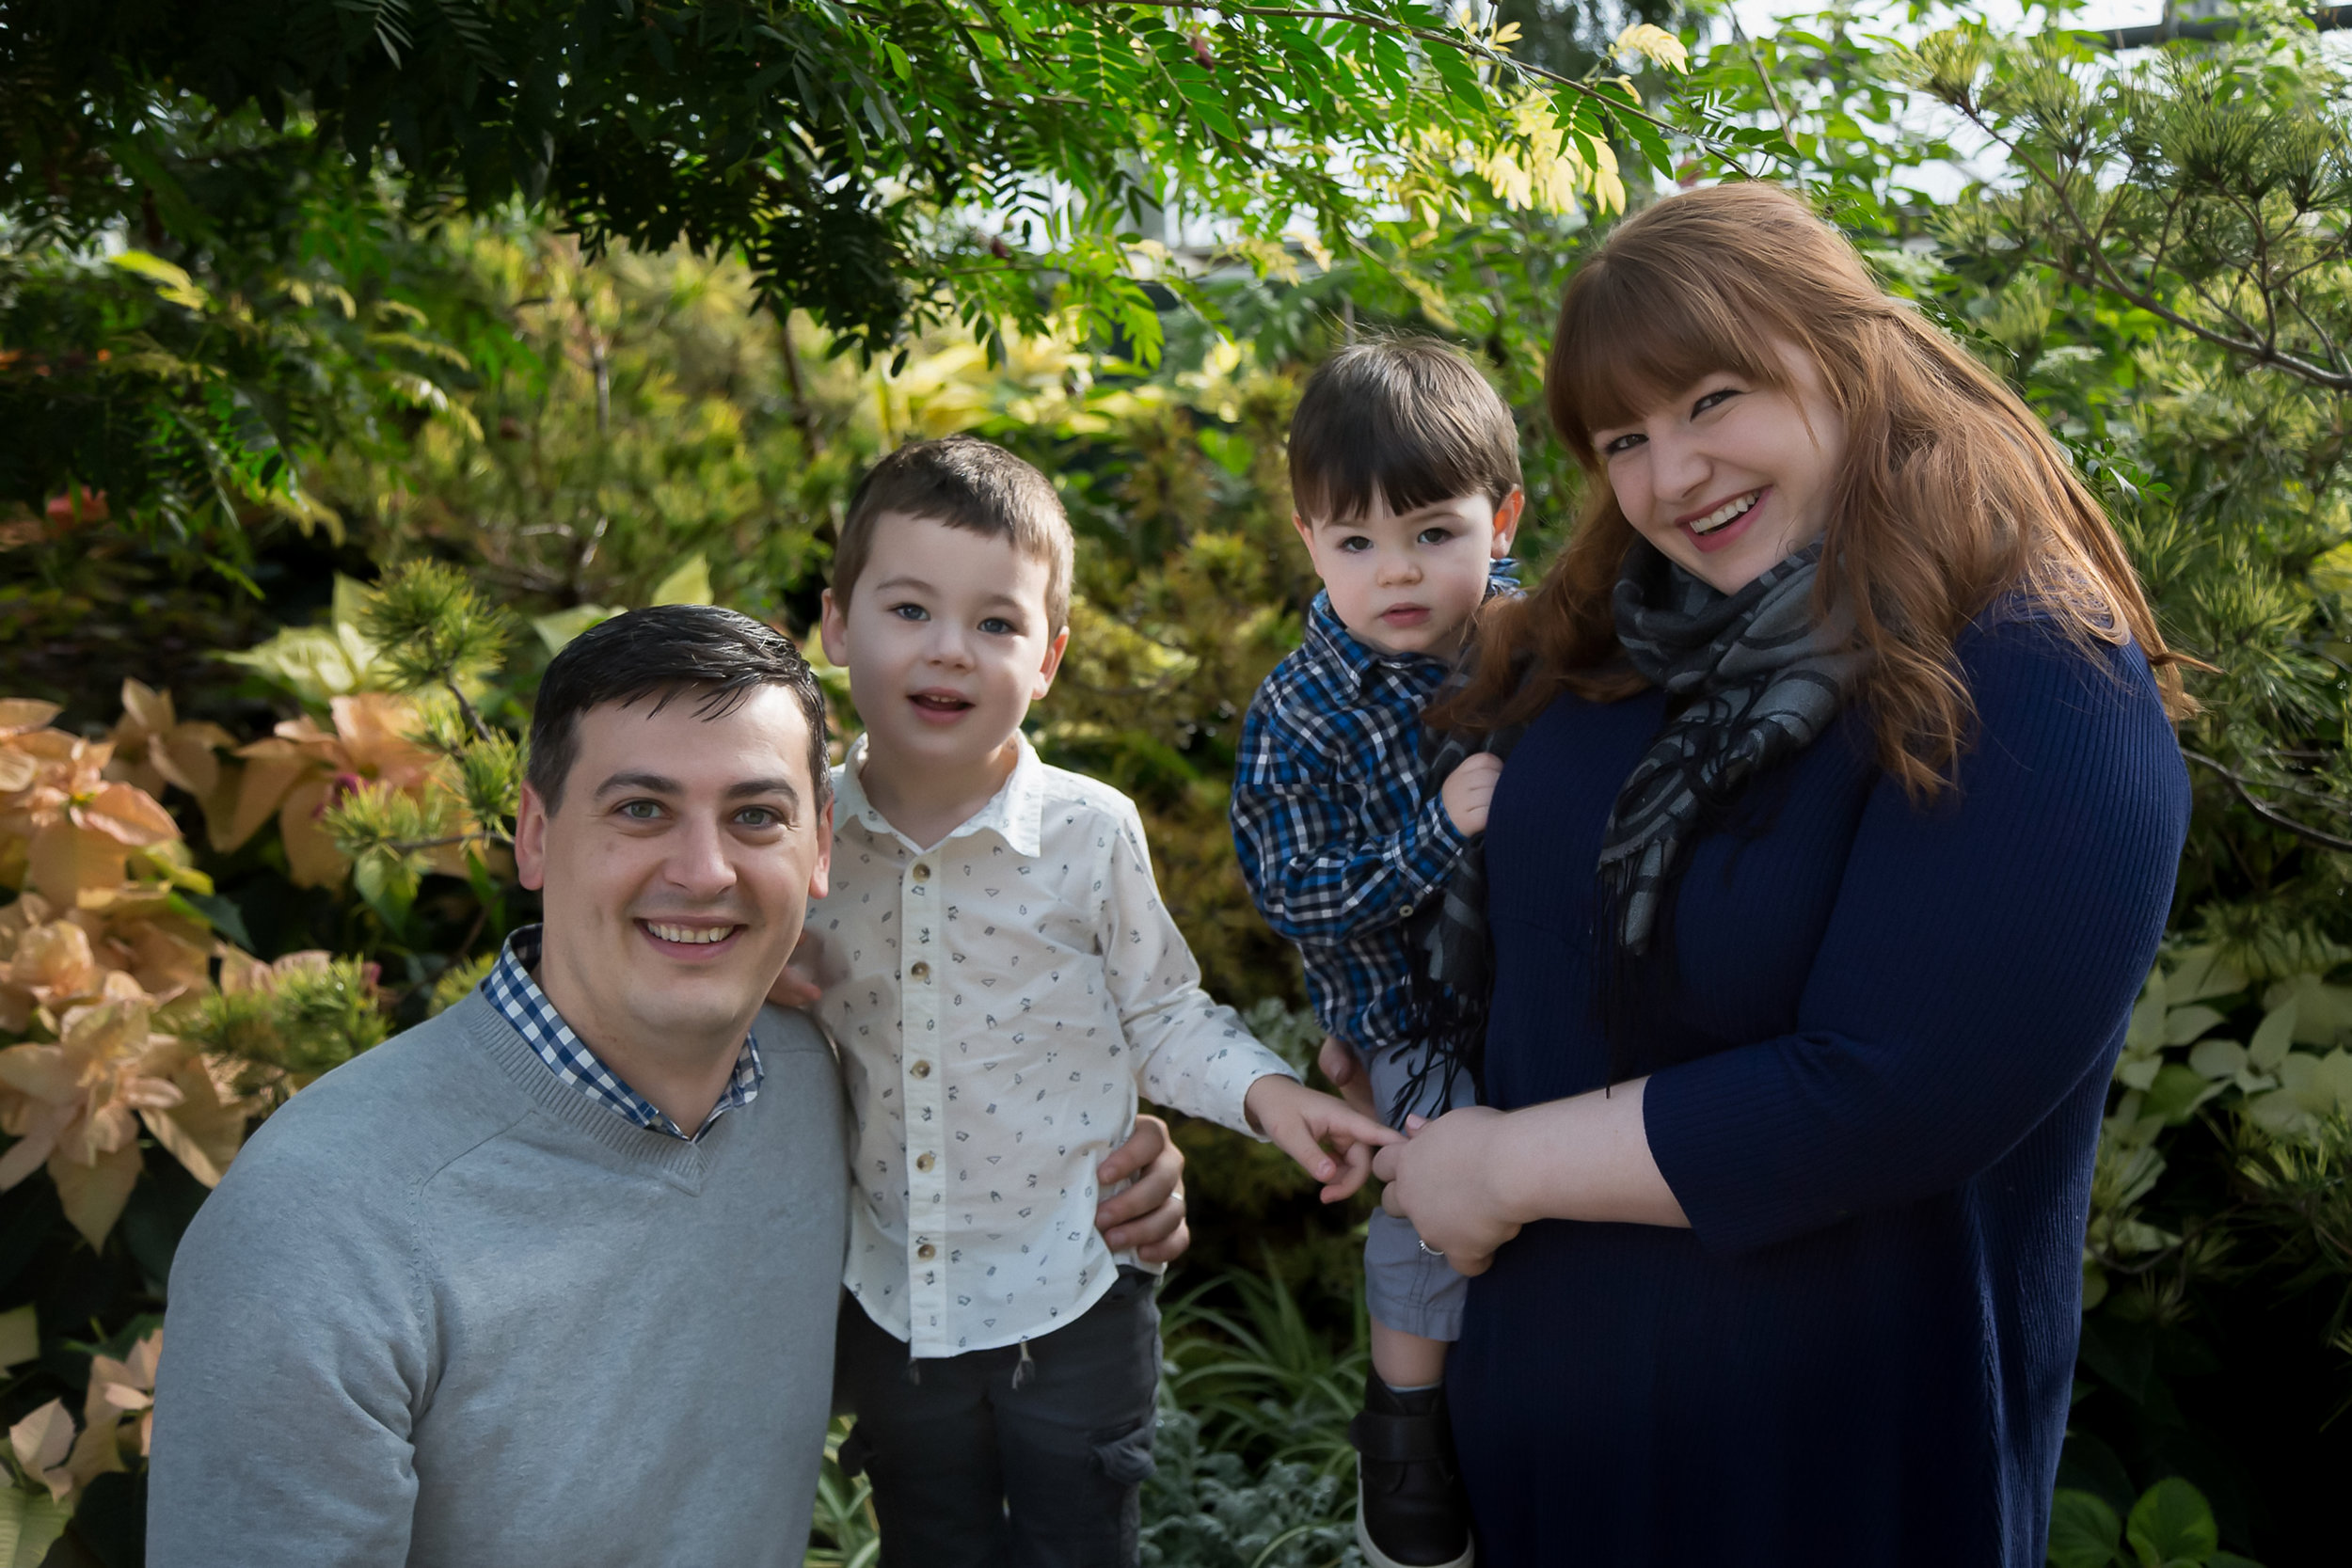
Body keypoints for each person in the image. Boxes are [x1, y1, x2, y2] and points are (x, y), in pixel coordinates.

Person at [1359, 182, 2194, 1566]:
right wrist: (1403, 1049)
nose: (1670, 474)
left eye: (1713, 399)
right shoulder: (1628, 634)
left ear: (1848, 355)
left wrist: (1501, 1163)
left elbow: (1889, 1088)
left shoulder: (2035, 678)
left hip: (1823, 1480)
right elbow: (1532, 917)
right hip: (1553, 1454)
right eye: (1624, 437)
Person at [149, 604, 1192, 1567]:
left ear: (822, 846)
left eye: (755, 815)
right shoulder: (318, 1229)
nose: (703, 869)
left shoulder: (814, 1087)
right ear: (536, 832)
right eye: (642, 808)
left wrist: (1087, 1165)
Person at [793, 435, 1399, 1568]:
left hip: (1074, 1288)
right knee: (932, 1546)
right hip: (890, 1299)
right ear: (835, 623)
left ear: (1050, 657)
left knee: (1083, 1546)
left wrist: (1270, 1098)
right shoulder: (801, 838)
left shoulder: (1087, 830)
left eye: (996, 623)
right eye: (910, 607)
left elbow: (1161, 1015)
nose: (949, 650)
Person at [1229, 337, 1523, 1568]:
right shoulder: (1303, 705)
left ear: (1501, 520)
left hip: (1537, 982)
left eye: (1432, 533)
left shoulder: (1528, 643)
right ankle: (1405, 1417)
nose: (1396, 571)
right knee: (1428, 1189)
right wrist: (1435, 829)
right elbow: (1296, 894)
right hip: (1406, 1011)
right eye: (1356, 543)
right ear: (1310, 543)